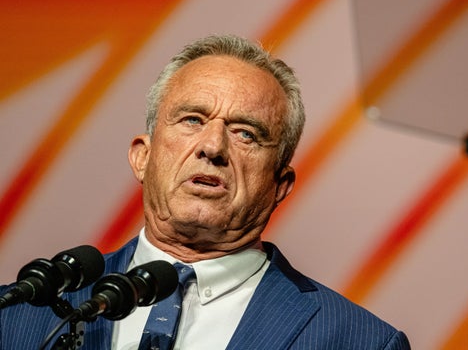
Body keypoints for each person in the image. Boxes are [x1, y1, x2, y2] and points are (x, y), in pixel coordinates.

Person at [0, 35, 411, 349]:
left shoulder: (358, 341)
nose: (212, 147)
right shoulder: (21, 311)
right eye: (192, 120)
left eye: (245, 133)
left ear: (279, 186)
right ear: (142, 157)